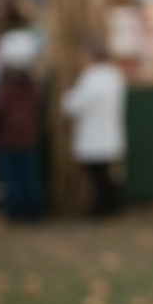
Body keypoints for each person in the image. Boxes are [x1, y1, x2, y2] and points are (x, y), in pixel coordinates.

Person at [61, 39, 126, 217]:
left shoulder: (91, 78)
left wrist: (67, 97)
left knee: (99, 177)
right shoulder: (113, 75)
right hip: (107, 136)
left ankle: (102, 209)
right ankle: (110, 208)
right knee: (105, 176)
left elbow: (73, 105)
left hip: (93, 138)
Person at [0, 31, 44, 222]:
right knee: (29, 178)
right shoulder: (33, 90)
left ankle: (16, 214)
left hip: (7, 142)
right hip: (28, 140)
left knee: (13, 180)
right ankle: (34, 212)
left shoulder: (4, 91)